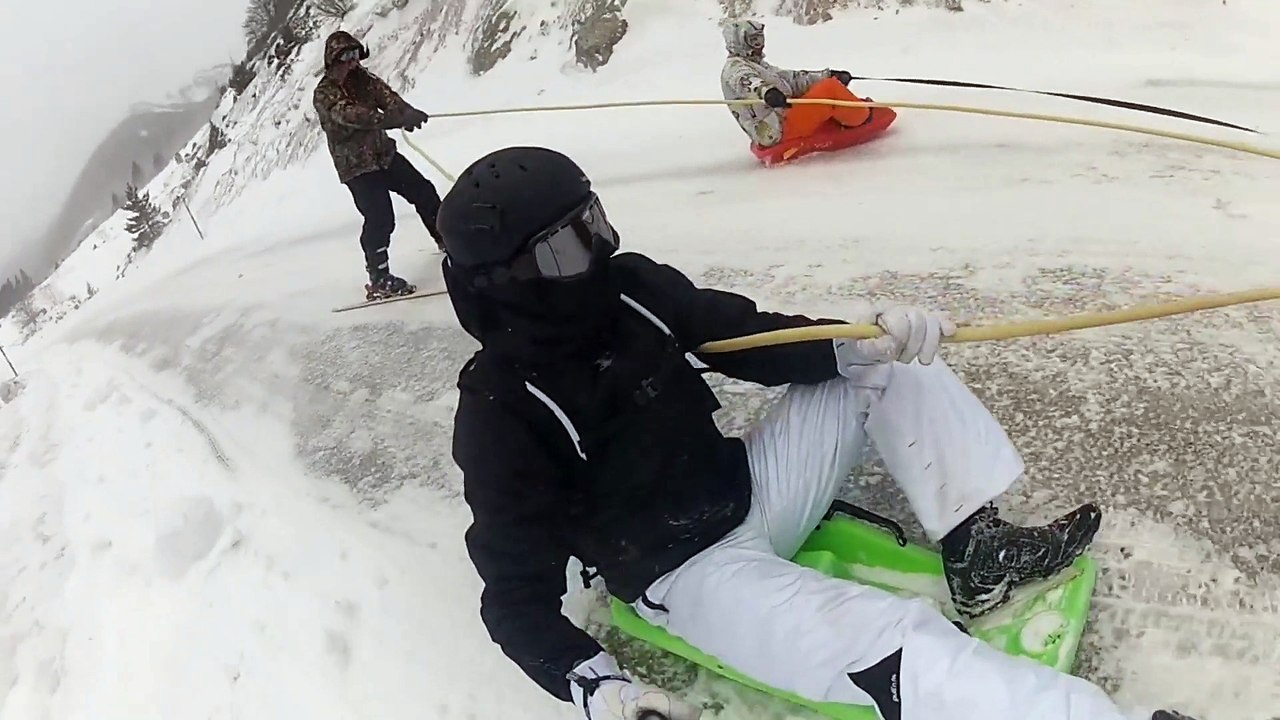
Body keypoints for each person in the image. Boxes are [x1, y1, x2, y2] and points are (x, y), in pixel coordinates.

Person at [439, 145, 1197, 720]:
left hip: (752, 493)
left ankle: (977, 550)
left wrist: (857, 339)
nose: (601, 250)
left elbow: (749, 338)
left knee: (888, 370)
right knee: (893, 640)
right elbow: (513, 596)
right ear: (512, 281)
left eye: (595, 222)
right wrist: (595, 684)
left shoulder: (631, 289)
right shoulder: (503, 409)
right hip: (690, 578)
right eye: (569, 247)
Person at [313, 30, 444, 301]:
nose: (353, 62)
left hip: (384, 155)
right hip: (357, 168)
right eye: (346, 57)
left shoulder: (366, 80)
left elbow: (389, 98)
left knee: (424, 192)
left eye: (355, 56)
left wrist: (406, 113)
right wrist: (387, 121)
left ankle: (447, 241)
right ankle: (379, 277)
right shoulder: (324, 94)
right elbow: (350, 115)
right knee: (380, 217)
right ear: (333, 60)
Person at [720, 19, 886, 149]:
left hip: (780, 118)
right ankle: (861, 117)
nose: (760, 45)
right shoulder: (735, 68)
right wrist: (767, 92)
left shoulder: (757, 64)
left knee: (827, 83)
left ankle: (847, 107)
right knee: (830, 89)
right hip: (776, 128)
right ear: (739, 42)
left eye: (760, 38)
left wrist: (827, 75)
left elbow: (792, 80)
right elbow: (748, 82)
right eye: (754, 40)